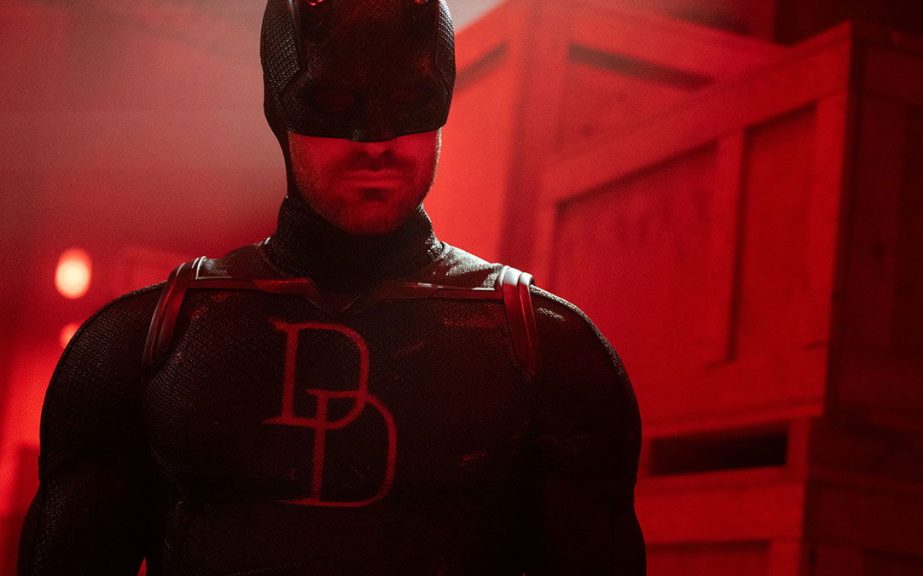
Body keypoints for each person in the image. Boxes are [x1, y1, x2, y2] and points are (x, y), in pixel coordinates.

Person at [18, 0, 645, 574]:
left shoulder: (549, 351)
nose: (375, 142)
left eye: (410, 101)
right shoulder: (142, 344)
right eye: (334, 102)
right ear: (279, 107)